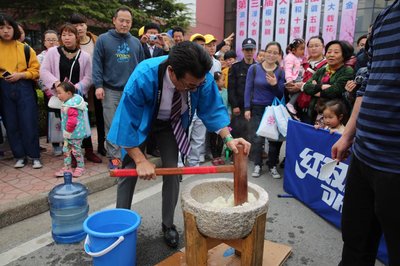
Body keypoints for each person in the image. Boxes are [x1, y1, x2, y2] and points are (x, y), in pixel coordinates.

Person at [107, 41, 251, 248]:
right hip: (142, 122)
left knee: (173, 171)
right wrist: (141, 160)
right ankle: (121, 228)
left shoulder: (200, 78)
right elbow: (125, 122)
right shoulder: (144, 75)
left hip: (171, 124)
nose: (194, 89)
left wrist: (229, 138)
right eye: (190, 85)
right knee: (129, 171)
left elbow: (212, 109)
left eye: (198, 85)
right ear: (172, 72)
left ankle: (168, 225)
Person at [332, 0, 400, 264]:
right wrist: (348, 134)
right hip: (364, 155)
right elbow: (368, 80)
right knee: (355, 244)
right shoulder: (386, 15)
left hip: (395, 165)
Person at [93, 7, 145, 169]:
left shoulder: (136, 42)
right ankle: (114, 157)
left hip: (131, 91)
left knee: (131, 123)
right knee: (112, 124)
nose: (124, 24)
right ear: (114, 20)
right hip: (110, 90)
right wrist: (98, 86)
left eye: (128, 21)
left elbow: (141, 67)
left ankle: (131, 155)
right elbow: (97, 64)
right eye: (121, 20)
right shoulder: (103, 39)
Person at [40, 23, 93, 170]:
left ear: (76, 37)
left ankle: (87, 152)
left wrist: (76, 87)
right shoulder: (52, 53)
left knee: (82, 125)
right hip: (61, 97)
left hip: (77, 97)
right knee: (67, 127)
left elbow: (89, 77)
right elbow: (44, 71)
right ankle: (71, 155)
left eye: (70, 35)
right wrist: (56, 83)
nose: (67, 38)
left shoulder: (85, 56)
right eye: (64, 35)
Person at [0, 14, 42, 169]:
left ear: (14, 29)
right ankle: (19, 155)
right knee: (10, 123)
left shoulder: (25, 48)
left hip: (24, 86)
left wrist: (21, 75)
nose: (5, 31)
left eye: (9, 27)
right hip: (3, 87)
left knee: (28, 121)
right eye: (1, 27)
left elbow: (36, 70)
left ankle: (34, 155)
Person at [244, 41, 285, 178]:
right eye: (269, 52)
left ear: (279, 55)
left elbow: (280, 94)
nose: (271, 55)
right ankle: (257, 164)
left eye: (275, 53)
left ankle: (272, 165)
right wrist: (247, 108)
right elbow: (248, 89)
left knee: (273, 139)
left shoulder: (280, 71)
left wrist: (274, 85)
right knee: (257, 138)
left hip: (272, 109)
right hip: (257, 107)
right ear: (264, 52)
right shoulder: (254, 69)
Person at [69, 13, 106, 158]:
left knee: (101, 117)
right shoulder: (71, 43)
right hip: (80, 87)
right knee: (83, 117)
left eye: (81, 24)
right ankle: (86, 146)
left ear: (86, 25)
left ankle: (102, 144)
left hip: (97, 85)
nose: (79, 28)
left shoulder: (96, 40)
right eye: (76, 25)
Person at [302, 40, 354, 124]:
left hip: (335, 117)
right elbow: (306, 87)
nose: (331, 55)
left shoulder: (347, 71)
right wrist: (321, 87)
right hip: (315, 113)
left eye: (336, 52)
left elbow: (335, 90)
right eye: (329, 52)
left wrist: (315, 90)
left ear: (344, 55)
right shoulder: (322, 70)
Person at [286, 36, 327, 124]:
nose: (313, 48)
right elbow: (297, 78)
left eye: (316, 45)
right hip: (299, 107)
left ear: (323, 47)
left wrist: (302, 86)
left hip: (316, 109)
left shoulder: (327, 65)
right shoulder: (302, 62)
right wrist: (292, 85)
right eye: (310, 46)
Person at [37, 30, 63, 155]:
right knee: (54, 119)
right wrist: (47, 90)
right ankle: (56, 144)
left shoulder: (63, 53)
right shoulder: (40, 57)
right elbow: (40, 77)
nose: (52, 42)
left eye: (54, 39)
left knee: (68, 117)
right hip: (50, 93)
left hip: (65, 92)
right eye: (49, 40)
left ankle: (67, 142)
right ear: (44, 42)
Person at [54, 82, 88, 177]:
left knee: (76, 151)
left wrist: (68, 131)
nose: (58, 95)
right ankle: (67, 167)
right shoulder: (67, 103)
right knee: (66, 150)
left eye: (60, 93)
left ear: (68, 93)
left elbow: (72, 122)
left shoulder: (72, 106)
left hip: (74, 134)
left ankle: (80, 167)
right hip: (68, 134)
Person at [228, 38, 257, 141]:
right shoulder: (235, 67)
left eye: (251, 49)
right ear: (242, 50)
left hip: (254, 106)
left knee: (253, 133)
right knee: (237, 132)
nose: (249, 52)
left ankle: (253, 155)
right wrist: (234, 105)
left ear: (255, 50)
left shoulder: (258, 67)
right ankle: (236, 156)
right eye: (247, 50)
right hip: (239, 107)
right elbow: (231, 88)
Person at [210, 71, 229, 166]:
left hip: (223, 118)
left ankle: (219, 155)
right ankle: (214, 156)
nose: (224, 82)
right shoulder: (211, 92)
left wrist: (229, 114)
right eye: (222, 80)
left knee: (222, 137)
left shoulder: (225, 91)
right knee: (213, 138)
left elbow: (228, 104)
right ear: (216, 82)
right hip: (213, 118)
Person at [284, 38, 305, 115]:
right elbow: (288, 69)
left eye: (304, 49)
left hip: (297, 78)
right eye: (301, 49)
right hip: (293, 79)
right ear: (293, 50)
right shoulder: (289, 57)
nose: (303, 51)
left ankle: (291, 104)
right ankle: (290, 104)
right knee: (300, 89)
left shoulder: (298, 57)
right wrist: (289, 80)